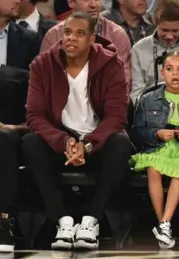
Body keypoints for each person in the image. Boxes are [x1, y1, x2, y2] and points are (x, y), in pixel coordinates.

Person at [22, 11, 131, 250]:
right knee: (30, 142)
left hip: (97, 144)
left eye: (80, 34)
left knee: (121, 143)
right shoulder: (43, 64)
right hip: (60, 144)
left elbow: (117, 117)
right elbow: (34, 115)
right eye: (68, 32)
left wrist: (88, 144)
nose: (71, 38)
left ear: (92, 39)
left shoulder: (111, 64)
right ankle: (63, 221)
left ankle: (92, 220)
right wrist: (64, 142)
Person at [131, 51, 179, 249]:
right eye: (169, 69)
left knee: (178, 172)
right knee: (153, 169)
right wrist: (156, 133)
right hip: (158, 148)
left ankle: (165, 222)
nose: (175, 74)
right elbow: (136, 132)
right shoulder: (148, 100)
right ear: (162, 72)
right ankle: (163, 224)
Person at [0, 0, 40, 252]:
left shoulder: (28, 39)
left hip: (12, 122)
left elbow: (36, 90)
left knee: (5, 140)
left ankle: (5, 221)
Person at [41, 0, 131, 87]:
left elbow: (122, 81)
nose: (93, 5)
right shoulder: (54, 36)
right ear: (71, 2)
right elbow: (45, 79)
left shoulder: (116, 35)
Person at [131, 0, 179, 103]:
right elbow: (137, 93)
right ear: (156, 23)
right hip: (151, 113)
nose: (169, 36)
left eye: (175, 31)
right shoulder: (138, 49)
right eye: (164, 30)